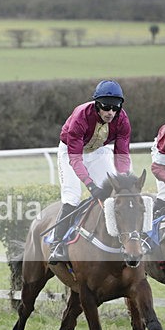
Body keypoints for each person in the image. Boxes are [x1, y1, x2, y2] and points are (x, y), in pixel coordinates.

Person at [48, 80, 132, 264]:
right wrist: (90, 185)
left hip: (98, 152)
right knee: (72, 196)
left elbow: (122, 155)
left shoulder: (122, 119)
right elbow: (76, 160)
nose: (111, 113)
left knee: (114, 194)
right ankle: (57, 244)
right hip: (71, 152)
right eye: (106, 107)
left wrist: (124, 181)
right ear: (97, 105)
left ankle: (121, 240)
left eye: (115, 108)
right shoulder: (81, 116)